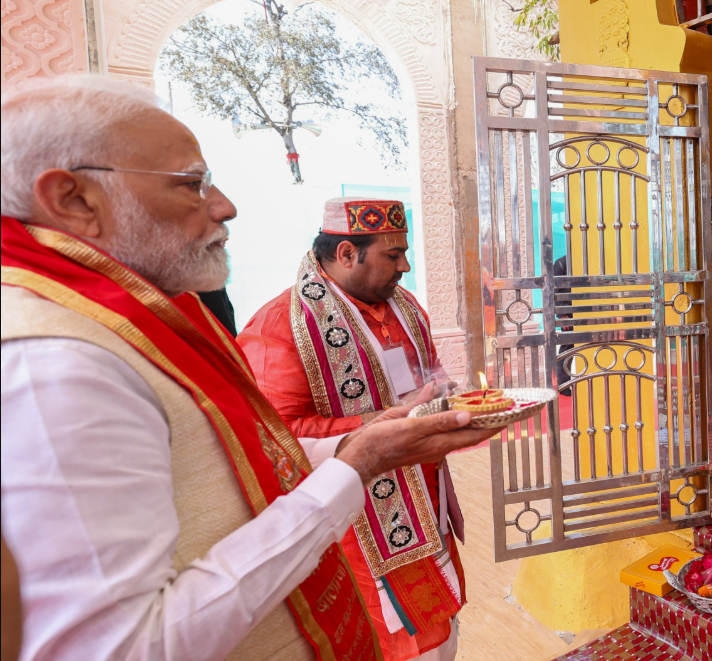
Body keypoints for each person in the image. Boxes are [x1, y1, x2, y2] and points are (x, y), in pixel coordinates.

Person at [0, 75, 499, 661]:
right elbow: (112, 645)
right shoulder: (53, 358)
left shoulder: (141, 317)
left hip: (401, 504)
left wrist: (406, 425)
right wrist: (362, 455)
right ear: (75, 200)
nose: (225, 206)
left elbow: (248, 448)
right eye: (192, 184)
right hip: (350, 526)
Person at [237, 198, 464, 660]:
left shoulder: (403, 306)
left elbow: (428, 371)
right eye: (391, 256)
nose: (405, 266)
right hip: (359, 520)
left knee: (438, 631)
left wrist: (441, 394)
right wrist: (382, 422)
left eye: (404, 253)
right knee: (388, 636)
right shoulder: (283, 324)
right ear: (345, 253)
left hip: (425, 497)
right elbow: (272, 434)